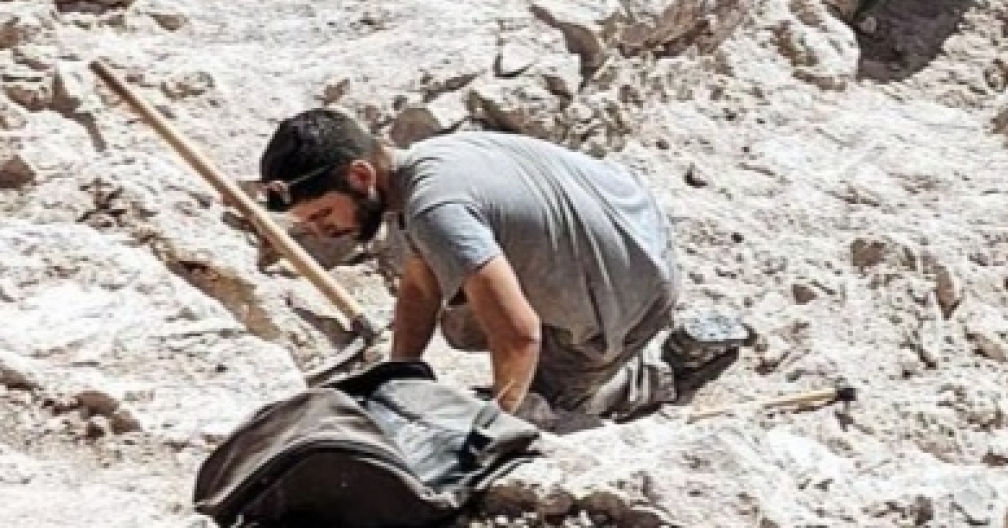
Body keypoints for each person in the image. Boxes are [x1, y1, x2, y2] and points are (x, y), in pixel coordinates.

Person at [259, 110, 746, 420]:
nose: (321, 231)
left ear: (361, 176)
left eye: (323, 213)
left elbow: (520, 334)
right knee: (461, 310)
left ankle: (662, 369)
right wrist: (396, 375)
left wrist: (496, 422)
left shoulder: (435, 210)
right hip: (632, 231)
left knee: (551, 401)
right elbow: (419, 285)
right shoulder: (425, 164)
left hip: (636, 293)